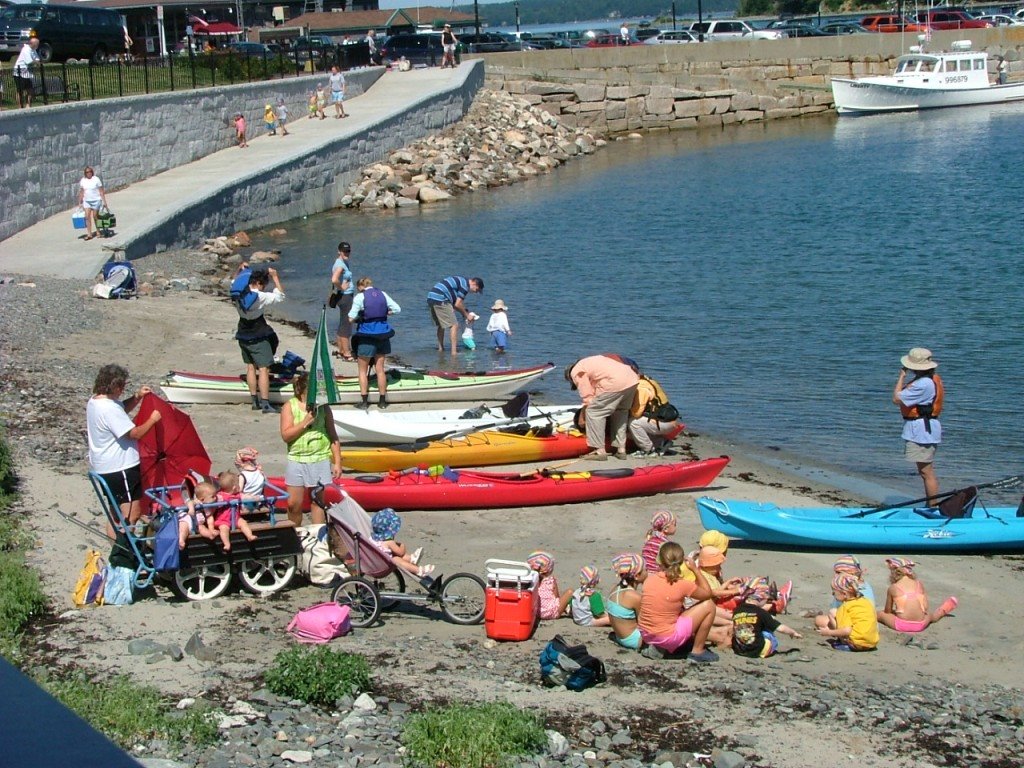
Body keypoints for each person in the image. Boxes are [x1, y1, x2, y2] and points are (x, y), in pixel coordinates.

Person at [87, 365, 161, 537]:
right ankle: (123, 552)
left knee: (115, 512)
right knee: (130, 514)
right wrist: (152, 420)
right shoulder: (109, 409)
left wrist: (136, 398)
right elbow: (134, 433)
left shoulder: (95, 401)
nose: (122, 391)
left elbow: (120, 409)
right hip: (120, 468)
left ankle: (117, 551)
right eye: (122, 387)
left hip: (104, 466)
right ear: (115, 386)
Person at [280, 371, 344, 526]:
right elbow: (286, 435)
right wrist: (305, 422)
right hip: (297, 459)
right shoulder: (290, 406)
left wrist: (337, 462)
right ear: (303, 391)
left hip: (319, 458)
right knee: (293, 504)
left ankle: (318, 535)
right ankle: (296, 532)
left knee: (317, 502)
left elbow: (333, 436)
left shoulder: (323, 408)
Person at [637, 542, 719, 662]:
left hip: (646, 633)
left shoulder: (649, 580)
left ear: (660, 561)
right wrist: (695, 570)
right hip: (666, 636)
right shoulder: (682, 584)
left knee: (675, 609)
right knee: (709, 605)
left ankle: (657, 646)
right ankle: (698, 651)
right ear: (681, 562)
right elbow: (707, 593)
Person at [565, 355, 640, 460]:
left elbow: (588, 397)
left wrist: (583, 416)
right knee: (620, 412)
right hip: (632, 379)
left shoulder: (576, 371)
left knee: (594, 412)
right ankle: (621, 450)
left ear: (570, 376)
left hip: (615, 381)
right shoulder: (590, 362)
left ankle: (599, 451)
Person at [893, 347, 943, 505]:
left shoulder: (923, 384)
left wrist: (901, 377)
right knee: (925, 471)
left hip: (922, 431)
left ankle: (932, 505)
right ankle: (931, 503)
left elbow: (896, 399)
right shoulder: (930, 380)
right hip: (925, 428)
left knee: (926, 471)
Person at [233, 264, 285, 414]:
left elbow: (233, 281)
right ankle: (265, 403)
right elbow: (280, 297)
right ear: (260, 283)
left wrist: (239, 269)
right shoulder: (260, 296)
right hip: (257, 334)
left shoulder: (240, 293)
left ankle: (254, 401)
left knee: (250, 366)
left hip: (242, 331)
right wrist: (275, 277)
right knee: (263, 368)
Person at [348, 277, 401, 410]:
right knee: (380, 370)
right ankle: (382, 401)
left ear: (360, 287)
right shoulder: (383, 294)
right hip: (383, 335)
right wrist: (386, 313)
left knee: (362, 370)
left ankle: (365, 402)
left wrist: (360, 317)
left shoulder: (360, 297)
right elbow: (397, 309)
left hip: (367, 336)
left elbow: (350, 318)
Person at [877, 557, 958, 634]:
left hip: (901, 624)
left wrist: (895, 611)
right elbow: (925, 608)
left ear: (894, 573)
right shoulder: (919, 584)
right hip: (920, 625)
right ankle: (942, 611)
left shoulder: (893, 588)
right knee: (930, 616)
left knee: (880, 614)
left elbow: (887, 611)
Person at [731, 577, 802, 658]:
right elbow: (781, 628)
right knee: (768, 631)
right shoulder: (761, 612)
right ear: (760, 598)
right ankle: (766, 649)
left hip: (739, 650)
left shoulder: (737, 610)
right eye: (766, 599)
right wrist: (793, 632)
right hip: (757, 650)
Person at [815, 573, 879, 651]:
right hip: (872, 642)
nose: (833, 595)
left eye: (834, 593)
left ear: (844, 594)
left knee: (832, 613)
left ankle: (843, 642)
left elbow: (846, 630)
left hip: (856, 644)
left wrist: (828, 632)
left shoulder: (846, 607)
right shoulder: (866, 601)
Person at [426, 275, 484, 354]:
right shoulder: (465, 286)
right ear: (474, 284)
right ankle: (454, 352)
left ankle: (441, 349)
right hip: (441, 298)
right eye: (477, 290)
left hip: (431, 297)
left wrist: (464, 311)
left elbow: (455, 304)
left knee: (441, 325)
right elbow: (458, 304)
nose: (475, 292)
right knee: (454, 325)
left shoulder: (462, 281)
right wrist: (467, 315)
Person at [370, 508, 434, 577]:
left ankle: (411, 559)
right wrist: (402, 545)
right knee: (396, 559)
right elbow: (401, 553)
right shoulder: (389, 542)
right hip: (382, 566)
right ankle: (418, 570)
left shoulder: (373, 539)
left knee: (392, 555)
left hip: (374, 562)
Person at [628, 375, 680, 456]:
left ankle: (647, 449)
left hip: (663, 423)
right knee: (634, 424)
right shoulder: (650, 382)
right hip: (668, 420)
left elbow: (636, 413)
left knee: (632, 423)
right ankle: (661, 442)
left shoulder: (642, 388)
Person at [607, 553, 646, 650]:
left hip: (620, 636)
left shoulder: (615, 589)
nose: (648, 572)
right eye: (646, 569)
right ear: (637, 575)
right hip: (634, 640)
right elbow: (644, 623)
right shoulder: (634, 597)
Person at [211, 470, 257, 552]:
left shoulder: (237, 495)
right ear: (234, 487)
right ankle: (226, 543)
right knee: (224, 529)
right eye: (238, 484)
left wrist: (255, 498)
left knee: (243, 523)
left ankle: (249, 536)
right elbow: (214, 500)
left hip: (236, 518)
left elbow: (246, 497)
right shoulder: (221, 496)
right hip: (223, 519)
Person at [527, 551, 573, 620]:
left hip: (535, 613)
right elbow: (556, 597)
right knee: (570, 592)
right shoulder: (550, 581)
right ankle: (569, 609)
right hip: (552, 613)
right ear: (549, 570)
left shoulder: (529, 581)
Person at [331, 242, 355, 361]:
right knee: (347, 324)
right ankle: (346, 352)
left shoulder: (340, 262)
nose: (347, 253)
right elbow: (334, 279)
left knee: (342, 323)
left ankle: (341, 350)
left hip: (342, 297)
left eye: (348, 251)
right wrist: (341, 287)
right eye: (344, 251)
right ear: (339, 251)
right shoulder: (340, 264)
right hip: (345, 296)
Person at [178, 480, 218, 549]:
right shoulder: (197, 501)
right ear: (202, 499)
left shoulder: (207, 506)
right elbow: (190, 502)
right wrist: (191, 509)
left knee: (202, 529)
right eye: (213, 496)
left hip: (198, 525)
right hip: (187, 520)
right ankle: (181, 540)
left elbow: (209, 518)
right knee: (183, 528)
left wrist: (211, 529)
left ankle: (210, 535)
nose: (215, 498)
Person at [77, 167, 108, 242]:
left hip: (96, 200)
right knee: (87, 217)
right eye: (87, 172)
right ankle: (89, 234)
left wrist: (104, 202)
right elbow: (81, 191)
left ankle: (98, 231)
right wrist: (80, 202)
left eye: (90, 171)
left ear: (92, 172)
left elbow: (101, 191)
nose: (89, 173)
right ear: (85, 173)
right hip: (87, 201)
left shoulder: (96, 179)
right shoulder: (83, 180)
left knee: (95, 216)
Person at [641, 509, 676, 574]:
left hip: (646, 572)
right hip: (657, 573)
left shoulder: (650, 540)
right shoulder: (665, 544)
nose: (675, 527)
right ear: (666, 529)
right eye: (674, 524)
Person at [13, 36, 40, 109]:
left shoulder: (33, 50)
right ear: (33, 44)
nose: (38, 45)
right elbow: (29, 61)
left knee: (30, 90)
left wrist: (35, 61)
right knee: (20, 91)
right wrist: (35, 61)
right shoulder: (26, 50)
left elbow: (38, 59)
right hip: (19, 72)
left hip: (27, 73)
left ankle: (28, 105)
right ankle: (20, 106)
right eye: (37, 44)